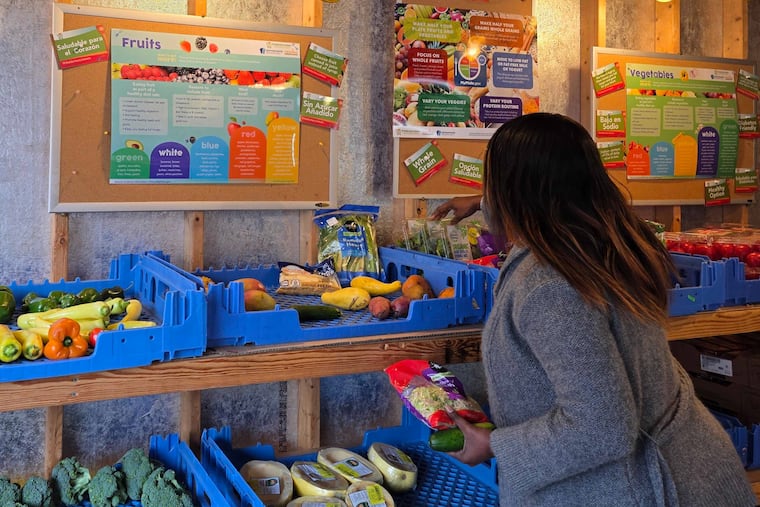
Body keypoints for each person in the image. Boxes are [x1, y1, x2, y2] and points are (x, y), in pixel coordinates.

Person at [439, 113, 755, 506]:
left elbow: (602, 427)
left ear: (512, 190)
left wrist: (494, 445)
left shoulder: (549, 285)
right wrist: (482, 203)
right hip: (690, 469)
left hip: (650, 489)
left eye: (492, 182)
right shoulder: (601, 240)